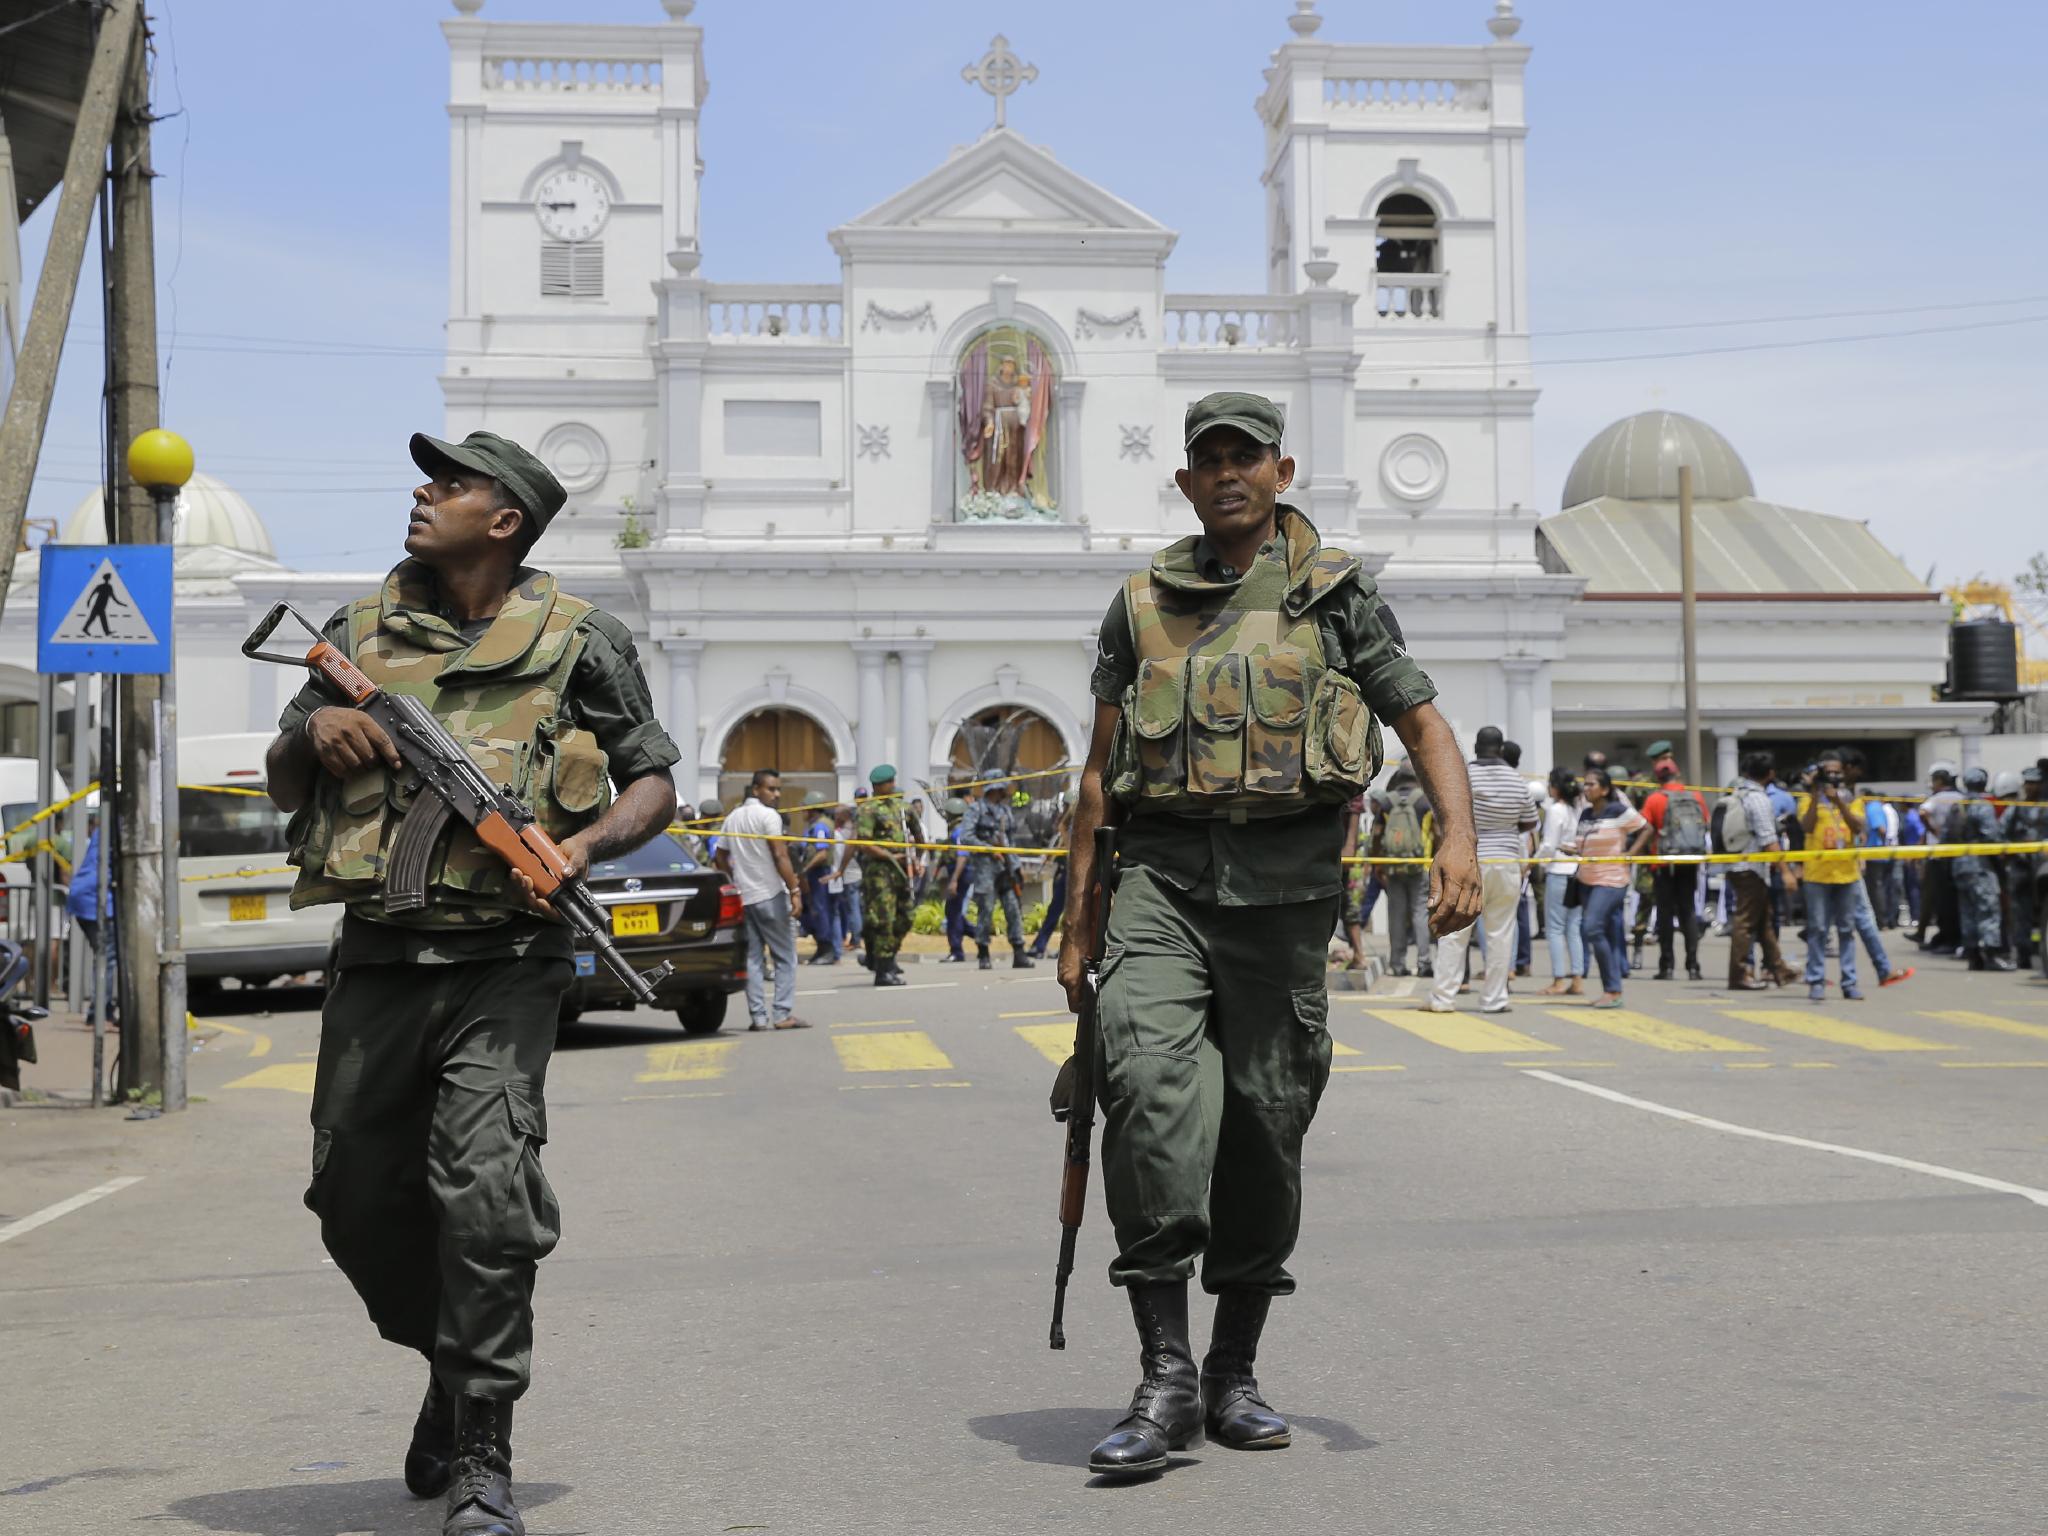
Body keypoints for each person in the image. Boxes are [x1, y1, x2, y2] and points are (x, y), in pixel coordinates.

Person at [264, 429, 679, 1536]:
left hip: (506, 960)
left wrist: (584, 849)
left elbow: (653, 781)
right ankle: (447, 1367)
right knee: (351, 1200)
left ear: (504, 520)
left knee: (485, 1197)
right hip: (379, 958)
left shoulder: (581, 638)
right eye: (427, 477)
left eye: (450, 483)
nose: (422, 491)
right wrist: (325, 728)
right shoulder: (354, 631)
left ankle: (484, 1449)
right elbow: (281, 773)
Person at [1061, 391, 1480, 1477]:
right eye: (1209, 461)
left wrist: (1457, 844)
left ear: (1280, 472)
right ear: (1188, 482)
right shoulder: (1139, 605)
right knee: (1145, 1099)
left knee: (1263, 1127)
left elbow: (1421, 721)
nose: (1228, 474)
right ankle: (1162, 1377)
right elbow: (1097, 781)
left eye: (1246, 457)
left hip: (1286, 900)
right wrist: (1075, 929)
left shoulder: (1334, 596)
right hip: (1158, 887)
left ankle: (1232, 1370)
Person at [1423, 727, 1536, 1014]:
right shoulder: (1517, 780)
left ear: (1475, 747)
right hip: (1507, 862)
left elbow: (1444, 814)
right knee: (1501, 932)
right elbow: (1529, 822)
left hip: (1470, 860)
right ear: (1500, 749)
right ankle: (1496, 999)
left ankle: (1443, 998)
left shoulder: (1464, 777)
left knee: (1455, 930)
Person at [717, 771, 811, 1028]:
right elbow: (780, 855)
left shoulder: (733, 817)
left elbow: (720, 855)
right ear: (756, 789)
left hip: (744, 897)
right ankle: (782, 1014)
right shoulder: (768, 816)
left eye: (778, 789)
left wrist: (733, 880)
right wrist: (794, 890)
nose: (777, 794)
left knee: (753, 958)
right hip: (769, 894)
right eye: (771, 789)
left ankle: (758, 1017)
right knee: (785, 956)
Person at [1568, 767, 1652, 1008]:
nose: (1586, 789)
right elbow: (1584, 844)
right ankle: (1612, 988)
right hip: (1586, 880)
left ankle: (1613, 989)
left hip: (1612, 880)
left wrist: (1631, 853)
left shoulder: (1619, 811)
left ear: (1604, 789)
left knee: (1592, 927)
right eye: (1585, 784)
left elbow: (1646, 829)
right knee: (1607, 933)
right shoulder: (1585, 814)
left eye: (1591, 784)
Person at [1721, 751, 1798, 990]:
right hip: (1750, 868)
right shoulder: (1758, 799)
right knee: (1745, 922)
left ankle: (1778, 967)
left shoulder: (1738, 793)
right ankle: (1739, 974)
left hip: (1737, 864)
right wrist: (1786, 871)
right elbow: (1768, 839)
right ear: (1771, 774)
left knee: (1764, 919)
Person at [1638, 740, 1710, 982]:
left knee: (1665, 914)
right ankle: (1693, 966)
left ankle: (1666, 966)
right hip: (1689, 860)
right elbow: (1705, 824)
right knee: (1688, 911)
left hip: (1663, 862)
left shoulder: (1655, 799)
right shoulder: (1696, 796)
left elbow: (1646, 827)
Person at [845, 765, 913, 987]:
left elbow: (919, 836)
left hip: (902, 871)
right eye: (889, 783)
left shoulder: (902, 808)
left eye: (894, 781)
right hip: (879, 873)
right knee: (884, 919)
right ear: (878, 786)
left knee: (906, 917)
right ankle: (883, 970)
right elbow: (864, 843)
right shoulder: (868, 810)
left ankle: (880, 956)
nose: (893, 785)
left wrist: (917, 859)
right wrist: (891, 856)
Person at [956, 780, 1033, 970]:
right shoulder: (976, 809)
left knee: (1013, 909)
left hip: (1006, 868)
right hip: (985, 868)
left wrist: (1016, 866)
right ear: (993, 790)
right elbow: (966, 837)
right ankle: (983, 953)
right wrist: (990, 849)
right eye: (1001, 789)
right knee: (986, 910)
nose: (1005, 792)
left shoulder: (1005, 811)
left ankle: (1019, 952)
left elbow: (1010, 841)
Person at [1369, 764, 1432, 975]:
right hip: (1419, 865)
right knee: (1420, 913)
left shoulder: (1387, 801)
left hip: (1393, 867)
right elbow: (1438, 832)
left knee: (1396, 914)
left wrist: (1378, 864)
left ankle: (1397, 964)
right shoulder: (1424, 801)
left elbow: (1376, 834)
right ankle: (1424, 963)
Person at [1951, 766, 2014, 971]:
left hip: (1959, 864)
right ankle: (1992, 954)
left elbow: (1946, 836)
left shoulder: (1956, 806)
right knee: (1988, 909)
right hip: (1980, 865)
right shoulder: (1982, 806)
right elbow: (1992, 837)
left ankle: (1973, 956)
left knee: (1967, 911)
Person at [1536, 769, 1584, 995]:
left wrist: (1537, 864)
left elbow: (1548, 844)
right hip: (1576, 870)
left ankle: (1558, 979)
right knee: (1573, 928)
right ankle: (1577, 978)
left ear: (1555, 788)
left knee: (1554, 928)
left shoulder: (1556, 810)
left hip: (1558, 870)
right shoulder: (1577, 808)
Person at [1913, 764, 1964, 953]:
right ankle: (1949, 937)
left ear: (1940, 781)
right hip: (1959, 854)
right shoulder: (1961, 797)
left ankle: (1947, 938)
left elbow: (1922, 812)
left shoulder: (1936, 798)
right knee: (1953, 898)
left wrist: (1933, 829)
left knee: (1941, 899)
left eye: (1934, 781)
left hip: (1938, 854)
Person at [1028, 796, 1074, 960]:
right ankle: (1039, 945)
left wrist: (1063, 829)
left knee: (1071, 914)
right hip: (1064, 872)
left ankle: (1063, 949)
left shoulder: (1072, 824)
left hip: (1073, 873)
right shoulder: (1064, 827)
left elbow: (1070, 849)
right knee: (1055, 912)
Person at [934, 797, 972, 963]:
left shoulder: (960, 831)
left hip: (961, 874)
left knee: (953, 912)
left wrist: (954, 880)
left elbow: (962, 856)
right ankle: (977, 934)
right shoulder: (957, 829)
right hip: (959, 873)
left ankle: (956, 951)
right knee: (953, 912)